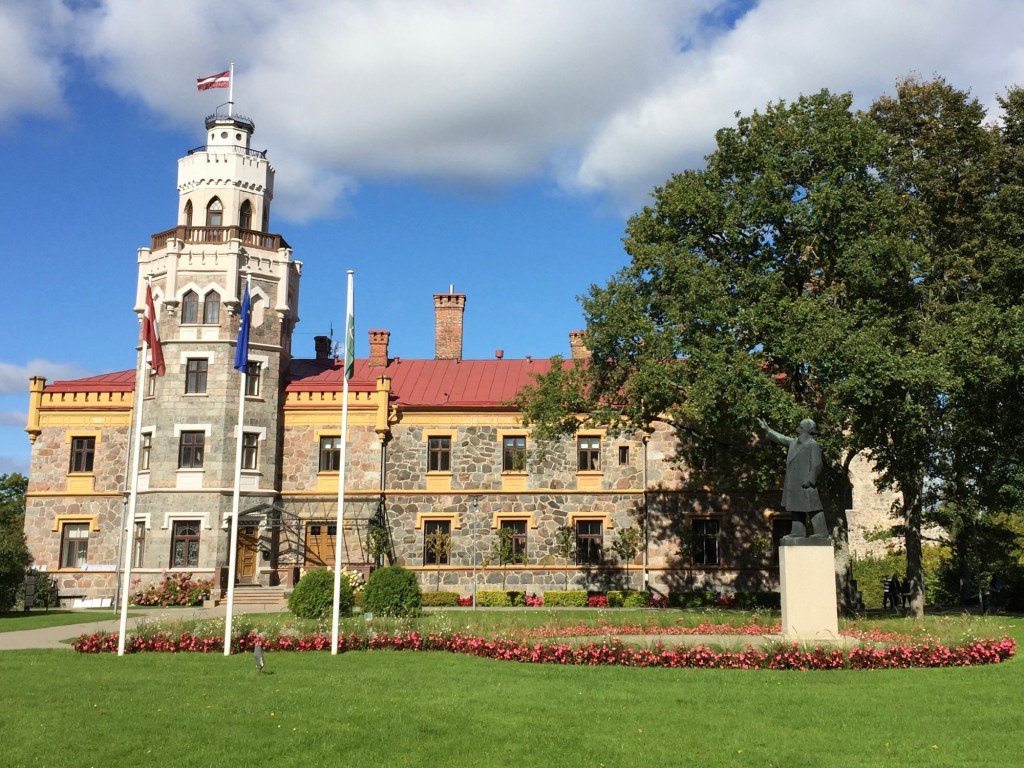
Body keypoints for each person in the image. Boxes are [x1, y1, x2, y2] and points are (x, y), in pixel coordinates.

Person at [757, 418, 829, 543]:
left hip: (806, 482)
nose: (799, 427)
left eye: (802, 426)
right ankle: (798, 532)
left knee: (813, 507)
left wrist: (810, 479)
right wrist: (768, 429)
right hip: (794, 482)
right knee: (796, 506)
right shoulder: (794, 442)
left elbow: (817, 464)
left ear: (807, 429)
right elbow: (781, 438)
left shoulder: (812, 445)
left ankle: (822, 533)